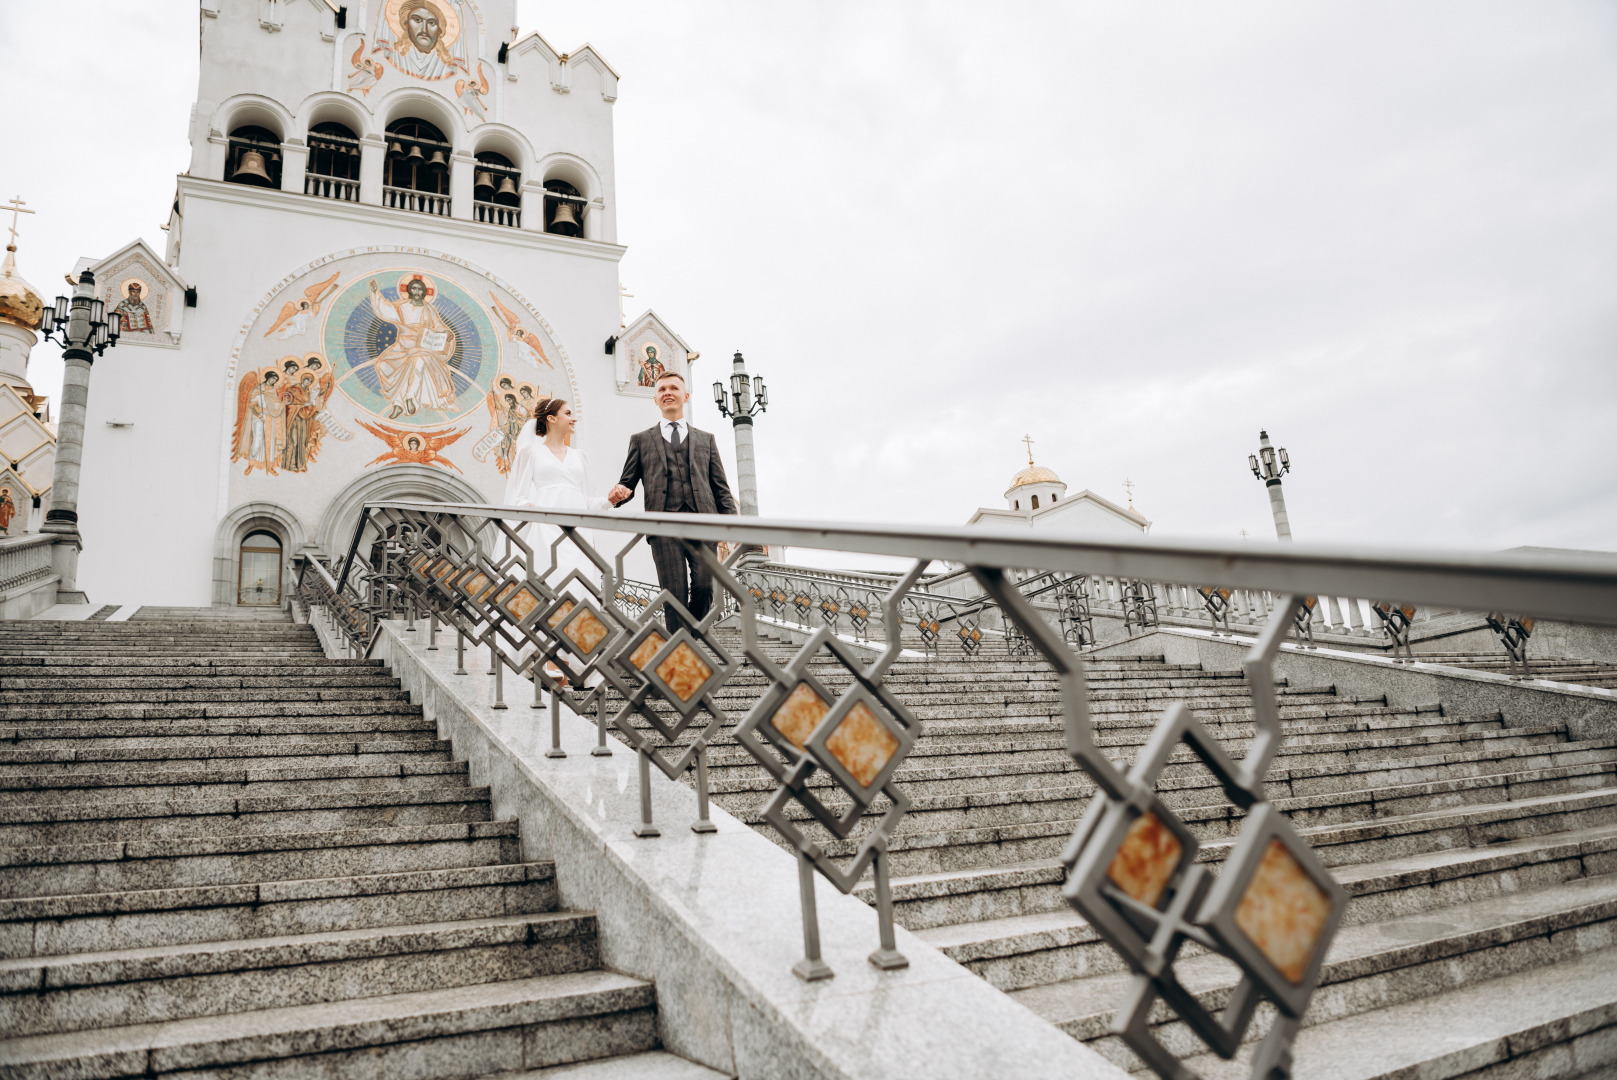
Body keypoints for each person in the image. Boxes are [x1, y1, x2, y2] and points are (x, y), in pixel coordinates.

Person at [608, 371, 738, 633]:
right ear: (655, 399)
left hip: (703, 523)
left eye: (674, 388)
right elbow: (628, 482)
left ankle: (690, 637)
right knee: (674, 593)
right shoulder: (641, 440)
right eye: (662, 389)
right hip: (663, 527)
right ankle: (681, 656)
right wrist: (619, 493)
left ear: (685, 396)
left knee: (704, 586)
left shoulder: (706, 439)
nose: (668, 392)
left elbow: (720, 486)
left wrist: (733, 525)